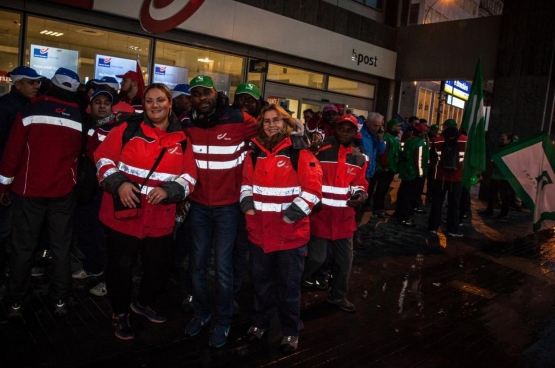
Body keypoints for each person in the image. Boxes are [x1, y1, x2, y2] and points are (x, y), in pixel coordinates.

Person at [94, 83, 197, 340]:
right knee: (121, 270)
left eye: (160, 100)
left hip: (159, 220)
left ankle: (142, 303)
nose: (154, 105)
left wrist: (169, 191)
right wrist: (119, 184)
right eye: (149, 100)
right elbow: (102, 159)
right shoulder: (126, 130)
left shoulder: (182, 140)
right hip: (123, 218)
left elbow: (190, 178)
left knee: (159, 269)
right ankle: (119, 314)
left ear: (170, 103)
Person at [0, 68, 82, 320]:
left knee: (23, 248)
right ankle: (60, 299)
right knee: (61, 247)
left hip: (28, 191)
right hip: (63, 193)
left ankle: (15, 303)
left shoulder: (28, 112)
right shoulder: (78, 117)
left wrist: (4, 186)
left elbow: (12, 154)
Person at [180, 75, 256, 348]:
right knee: (197, 266)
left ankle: (222, 321)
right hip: (199, 206)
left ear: (216, 93)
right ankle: (202, 314)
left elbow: (272, 129)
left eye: (206, 92)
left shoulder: (237, 118)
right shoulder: (187, 123)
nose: (202, 98)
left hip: (228, 208)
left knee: (223, 269)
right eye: (196, 94)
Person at [240, 104, 322, 354]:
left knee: (288, 289)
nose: (271, 124)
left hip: (290, 236)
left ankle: (290, 330)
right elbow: (245, 184)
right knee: (261, 285)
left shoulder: (300, 154)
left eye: (276, 120)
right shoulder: (253, 154)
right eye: (266, 121)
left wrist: (290, 217)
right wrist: (247, 206)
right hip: (260, 235)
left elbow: (313, 192)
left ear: (286, 124)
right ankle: (260, 323)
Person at [303, 114, 367, 313]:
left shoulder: (359, 158)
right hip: (320, 217)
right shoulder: (319, 151)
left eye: (349, 129)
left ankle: (337, 296)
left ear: (355, 133)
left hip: (344, 219)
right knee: (315, 258)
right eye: (341, 128)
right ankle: (286, 285)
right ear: (335, 129)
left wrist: (360, 194)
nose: (344, 132)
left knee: (344, 262)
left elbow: (360, 183)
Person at [0, 66, 43, 294]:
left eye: (37, 82)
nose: (36, 86)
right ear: (17, 85)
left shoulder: (28, 106)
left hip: (17, 180)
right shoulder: (7, 107)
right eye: (31, 82)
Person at [72, 89, 115, 297]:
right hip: (86, 190)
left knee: (104, 238)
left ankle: (109, 279)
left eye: (106, 103)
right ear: (90, 106)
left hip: (107, 192)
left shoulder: (118, 129)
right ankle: (92, 266)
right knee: (85, 230)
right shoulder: (84, 125)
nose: (102, 106)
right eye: (98, 102)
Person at [428, 119, 467, 236]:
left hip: (440, 177)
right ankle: (452, 229)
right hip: (456, 178)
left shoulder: (437, 140)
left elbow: (433, 159)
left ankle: (433, 227)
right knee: (454, 204)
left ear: (445, 127)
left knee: (437, 203)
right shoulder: (464, 140)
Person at [354, 112, 385, 246]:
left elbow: (380, 151)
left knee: (362, 206)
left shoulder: (374, 136)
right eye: (374, 125)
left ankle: (354, 231)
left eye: (379, 126)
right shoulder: (361, 134)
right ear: (368, 123)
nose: (376, 128)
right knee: (356, 206)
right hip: (360, 175)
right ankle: (352, 234)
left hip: (369, 174)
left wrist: (380, 138)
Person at [395, 123, 428, 226]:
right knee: (409, 196)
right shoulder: (420, 143)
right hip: (413, 173)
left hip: (406, 171)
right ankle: (404, 217)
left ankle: (399, 213)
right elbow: (419, 160)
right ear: (422, 132)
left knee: (402, 194)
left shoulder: (409, 139)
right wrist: (421, 174)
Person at [480, 133, 514, 221]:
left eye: (503, 139)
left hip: (504, 177)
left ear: (509, 140)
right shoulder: (499, 147)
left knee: (504, 197)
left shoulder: (511, 149)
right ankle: (489, 210)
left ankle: (503, 214)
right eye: (501, 139)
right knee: (492, 194)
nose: (501, 141)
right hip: (496, 175)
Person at [372, 118, 402, 220]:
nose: (400, 128)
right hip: (385, 168)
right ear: (391, 127)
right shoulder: (387, 138)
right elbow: (383, 152)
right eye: (398, 126)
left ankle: (380, 209)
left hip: (391, 168)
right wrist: (385, 165)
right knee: (381, 190)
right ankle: (377, 210)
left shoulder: (393, 138)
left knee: (384, 190)